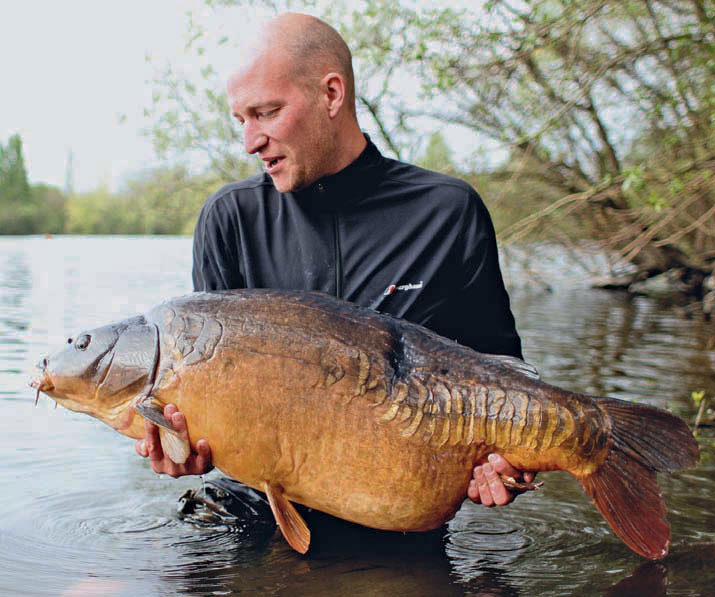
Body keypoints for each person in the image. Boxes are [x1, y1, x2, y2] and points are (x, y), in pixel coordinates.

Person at [135, 12, 535, 517]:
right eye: (241, 120)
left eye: (267, 113)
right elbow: (207, 404)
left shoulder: (447, 212)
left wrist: (505, 464)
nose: (249, 141)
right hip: (248, 514)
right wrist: (183, 446)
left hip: (396, 520)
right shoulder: (229, 219)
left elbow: (504, 380)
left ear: (331, 94)